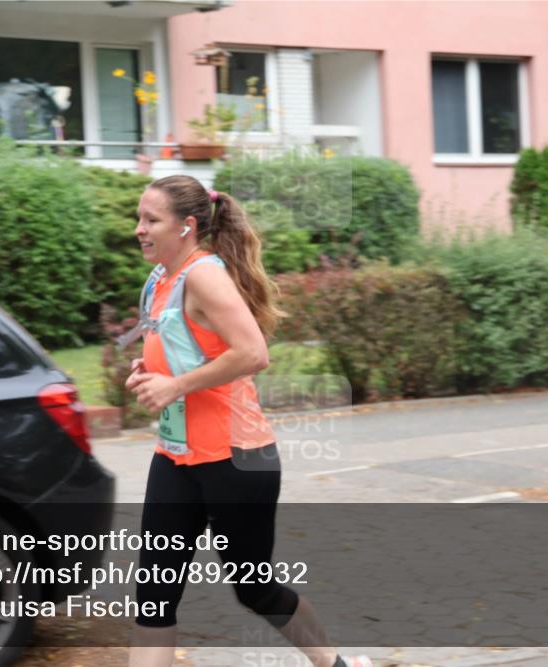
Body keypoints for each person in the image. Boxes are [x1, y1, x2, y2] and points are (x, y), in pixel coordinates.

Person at [125, 175, 372, 667]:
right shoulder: (161, 279)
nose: (139, 229)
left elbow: (253, 353)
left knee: (254, 589)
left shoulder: (204, 275)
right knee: (153, 594)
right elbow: (188, 348)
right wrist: (152, 372)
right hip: (177, 456)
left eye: (151, 220)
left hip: (236, 459)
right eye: (139, 218)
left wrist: (175, 386)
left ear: (187, 227)